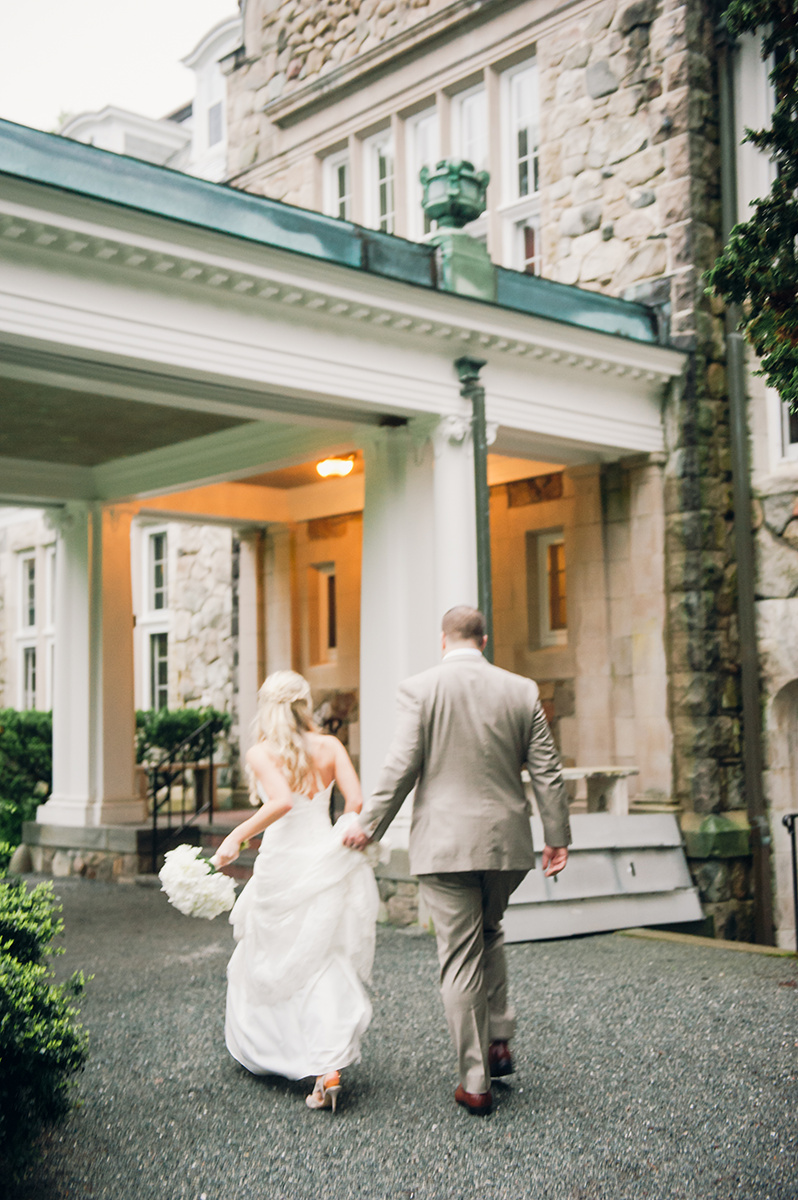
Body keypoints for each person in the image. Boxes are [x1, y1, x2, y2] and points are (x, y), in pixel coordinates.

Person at [343, 605, 571, 1116]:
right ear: (483, 639)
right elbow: (547, 772)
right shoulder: (522, 690)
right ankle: (499, 1038)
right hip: (506, 843)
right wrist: (556, 836)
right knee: (489, 931)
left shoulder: (420, 688)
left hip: (445, 847)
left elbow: (402, 764)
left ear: (442, 640)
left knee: (459, 956)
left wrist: (368, 824)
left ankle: (476, 1081)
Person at [212, 670, 378, 1113]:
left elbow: (282, 801)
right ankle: (328, 1068)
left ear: (266, 707)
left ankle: (289, 1054)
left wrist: (236, 838)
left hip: (283, 865)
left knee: (275, 956)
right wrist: (341, 829)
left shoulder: (262, 751)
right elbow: (356, 802)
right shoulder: (330, 746)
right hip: (322, 859)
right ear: (305, 704)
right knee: (320, 957)